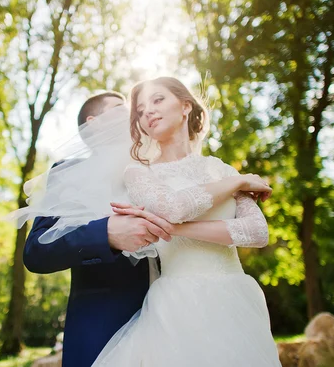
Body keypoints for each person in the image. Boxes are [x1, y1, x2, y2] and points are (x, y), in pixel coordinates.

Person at [91, 77, 282, 366]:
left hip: (235, 299)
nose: (148, 113)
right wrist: (236, 182)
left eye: (157, 100)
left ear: (185, 106)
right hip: (177, 303)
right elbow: (174, 208)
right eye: (140, 111)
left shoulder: (221, 169)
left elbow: (256, 232)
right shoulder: (139, 174)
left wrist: (176, 230)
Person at [22, 92, 171, 367]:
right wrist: (106, 235)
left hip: (173, 321)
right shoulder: (67, 174)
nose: (133, 113)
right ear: (94, 123)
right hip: (102, 329)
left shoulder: (163, 168)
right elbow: (36, 252)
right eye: (120, 108)